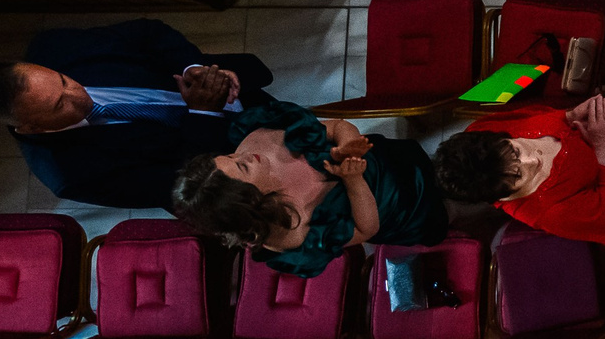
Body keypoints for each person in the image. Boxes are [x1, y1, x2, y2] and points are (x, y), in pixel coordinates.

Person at [0, 22, 274, 210]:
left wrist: (190, 67)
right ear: (32, 128)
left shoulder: (53, 47)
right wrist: (203, 112)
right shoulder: (70, 175)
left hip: (237, 93)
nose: (80, 95)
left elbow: (148, 35)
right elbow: (182, 189)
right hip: (234, 156)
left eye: (64, 81)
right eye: (58, 106)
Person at [170, 102, 448, 278]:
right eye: (241, 168)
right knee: (447, 209)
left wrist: (349, 147)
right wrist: (353, 181)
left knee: (438, 164)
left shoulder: (255, 138)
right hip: (396, 206)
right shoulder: (287, 236)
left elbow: (338, 126)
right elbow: (366, 230)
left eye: (229, 157)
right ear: (249, 201)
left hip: (385, 161)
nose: (243, 155)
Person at [434, 94, 605, 247]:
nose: (532, 160)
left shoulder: (478, 132)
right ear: (498, 197)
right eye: (518, 175)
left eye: (516, 151)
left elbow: (537, 116)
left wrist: (572, 115)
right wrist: (603, 143)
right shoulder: (552, 214)